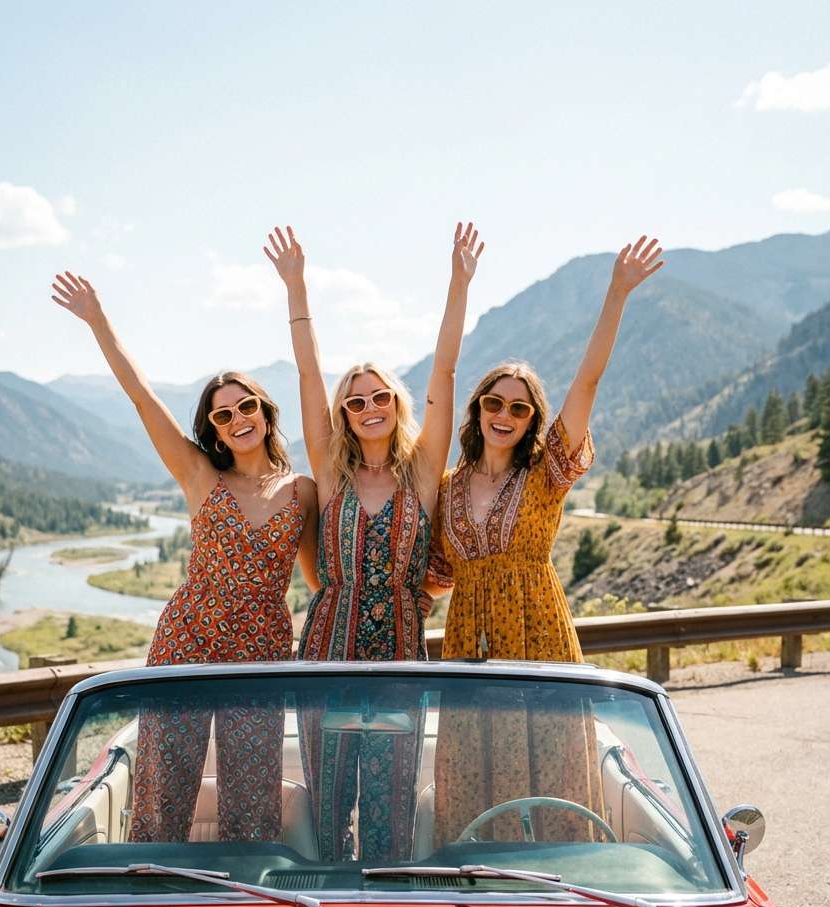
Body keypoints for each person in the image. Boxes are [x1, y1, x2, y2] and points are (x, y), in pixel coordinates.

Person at [52, 272, 318, 842]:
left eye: (246, 406)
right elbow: (142, 396)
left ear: (266, 412)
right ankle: (151, 875)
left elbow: (321, 578)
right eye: (223, 415)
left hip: (263, 646)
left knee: (253, 786)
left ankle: (245, 884)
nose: (238, 419)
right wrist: (98, 320)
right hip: (189, 634)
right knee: (164, 780)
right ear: (215, 431)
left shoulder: (304, 492)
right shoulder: (199, 475)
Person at [431, 236, 664, 843]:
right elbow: (433, 577)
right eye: (494, 402)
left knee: (554, 763)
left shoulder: (545, 474)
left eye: (520, 408)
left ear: (533, 418)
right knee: (471, 767)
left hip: (537, 631)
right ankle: (476, 875)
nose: (505, 415)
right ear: (478, 409)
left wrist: (617, 292)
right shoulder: (448, 487)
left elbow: (587, 382)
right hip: (467, 642)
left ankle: (562, 873)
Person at [265, 223, 483, 859]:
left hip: (400, 652)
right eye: (355, 401)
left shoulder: (421, 471)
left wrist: (459, 283)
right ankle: (328, 901)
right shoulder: (332, 473)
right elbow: (308, 373)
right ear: (344, 414)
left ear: (395, 402)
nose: (369, 408)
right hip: (327, 649)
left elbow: (445, 369)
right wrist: (296, 285)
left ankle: (387, 898)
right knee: (330, 800)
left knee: (391, 800)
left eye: (379, 396)